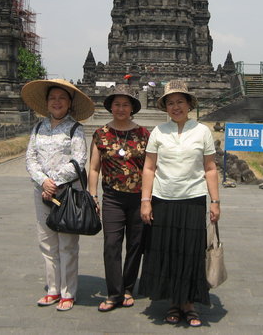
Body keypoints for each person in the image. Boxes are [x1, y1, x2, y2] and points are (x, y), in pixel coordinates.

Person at [138, 80, 220, 327]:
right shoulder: (158, 132)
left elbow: (210, 168)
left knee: (191, 252)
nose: (176, 107)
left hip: (193, 199)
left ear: (189, 104)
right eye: (171, 103)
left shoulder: (202, 131)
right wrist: (145, 201)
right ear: (165, 107)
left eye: (180, 102)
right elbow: (149, 168)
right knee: (168, 251)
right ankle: (174, 301)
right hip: (163, 199)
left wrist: (215, 201)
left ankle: (189, 303)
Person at [21, 79, 95, 312]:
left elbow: (79, 160)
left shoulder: (75, 129)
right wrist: (44, 181)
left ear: (70, 103)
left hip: (68, 193)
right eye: (52, 98)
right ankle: (53, 289)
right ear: (46, 103)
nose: (57, 102)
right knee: (47, 241)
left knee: (67, 243)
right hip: (42, 191)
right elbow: (30, 158)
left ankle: (68, 292)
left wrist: (55, 182)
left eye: (62, 98)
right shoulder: (38, 128)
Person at [88, 84, 150, 312]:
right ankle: (114, 292)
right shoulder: (101, 134)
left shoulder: (144, 134)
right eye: (117, 104)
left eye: (125, 104)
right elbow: (93, 168)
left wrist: (147, 199)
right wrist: (92, 195)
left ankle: (127, 288)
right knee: (111, 245)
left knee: (135, 245)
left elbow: (149, 169)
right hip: (112, 198)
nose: (121, 108)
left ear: (132, 108)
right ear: (110, 107)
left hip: (138, 198)